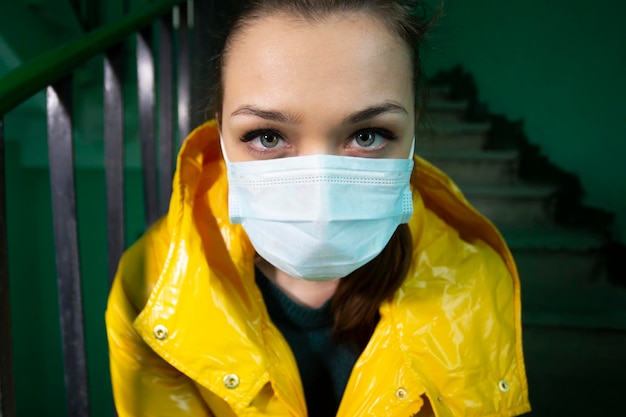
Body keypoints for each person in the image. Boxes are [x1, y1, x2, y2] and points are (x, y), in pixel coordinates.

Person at [106, 0, 531, 416]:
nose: (320, 199)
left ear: (413, 132)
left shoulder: (473, 282)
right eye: (268, 137)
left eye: (367, 135)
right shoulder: (154, 290)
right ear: (220, 136)